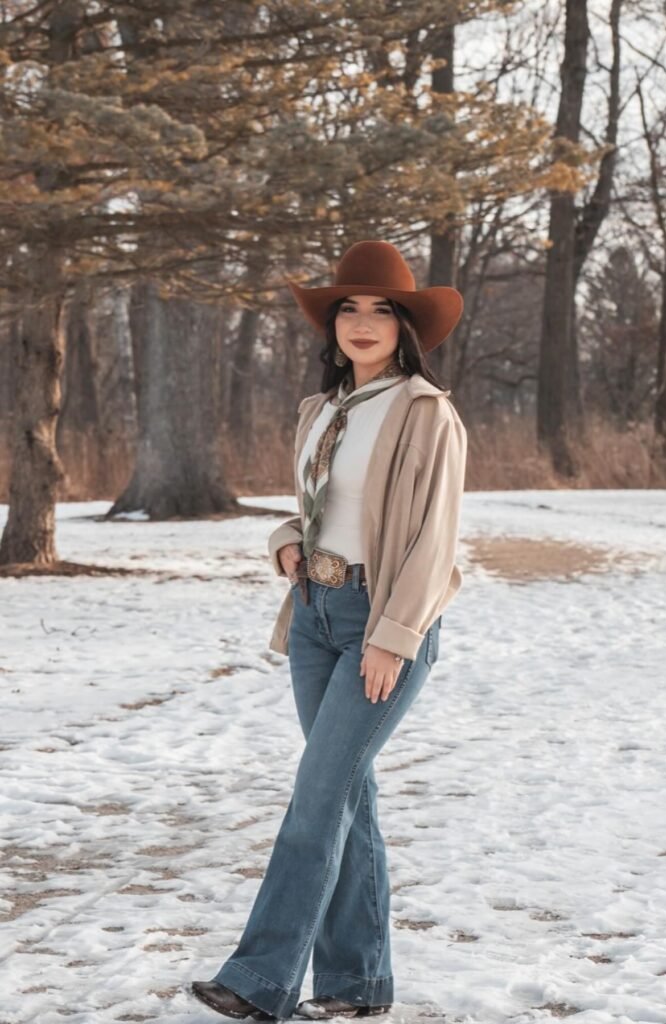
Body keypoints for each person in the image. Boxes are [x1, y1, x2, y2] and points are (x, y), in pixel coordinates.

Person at [191, 240, 468, 1021]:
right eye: (350, 307)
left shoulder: (423, 412)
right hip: (314, 618)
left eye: (382, 310)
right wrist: (283, 537)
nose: (363, 322)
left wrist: (394, 635)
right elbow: (316, 509)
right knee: (348, 797)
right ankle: (356, 984)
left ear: (405, 325)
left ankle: (260, 979)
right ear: (333, 323)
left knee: (318, 799)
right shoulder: (319, 410)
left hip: (380, 620)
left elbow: (432, 539)